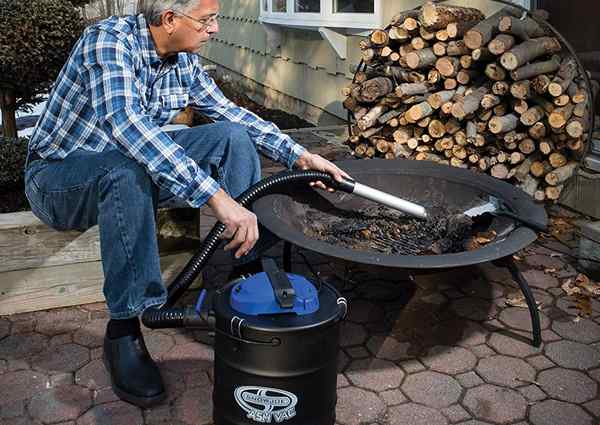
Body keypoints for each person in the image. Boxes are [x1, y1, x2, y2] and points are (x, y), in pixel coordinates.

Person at [24, 0, 349, 408]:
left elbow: (232, 114)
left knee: (231, 136)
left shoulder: (182, 60)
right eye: (207, 19)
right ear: (169, 19)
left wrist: (300, 156)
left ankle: (248, 278)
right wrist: (217, 198)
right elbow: (130, 128)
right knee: (126, 169)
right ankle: (123, 330)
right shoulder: (107, 42)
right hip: (60, 179)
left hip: (132, 170)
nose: (214, 29)